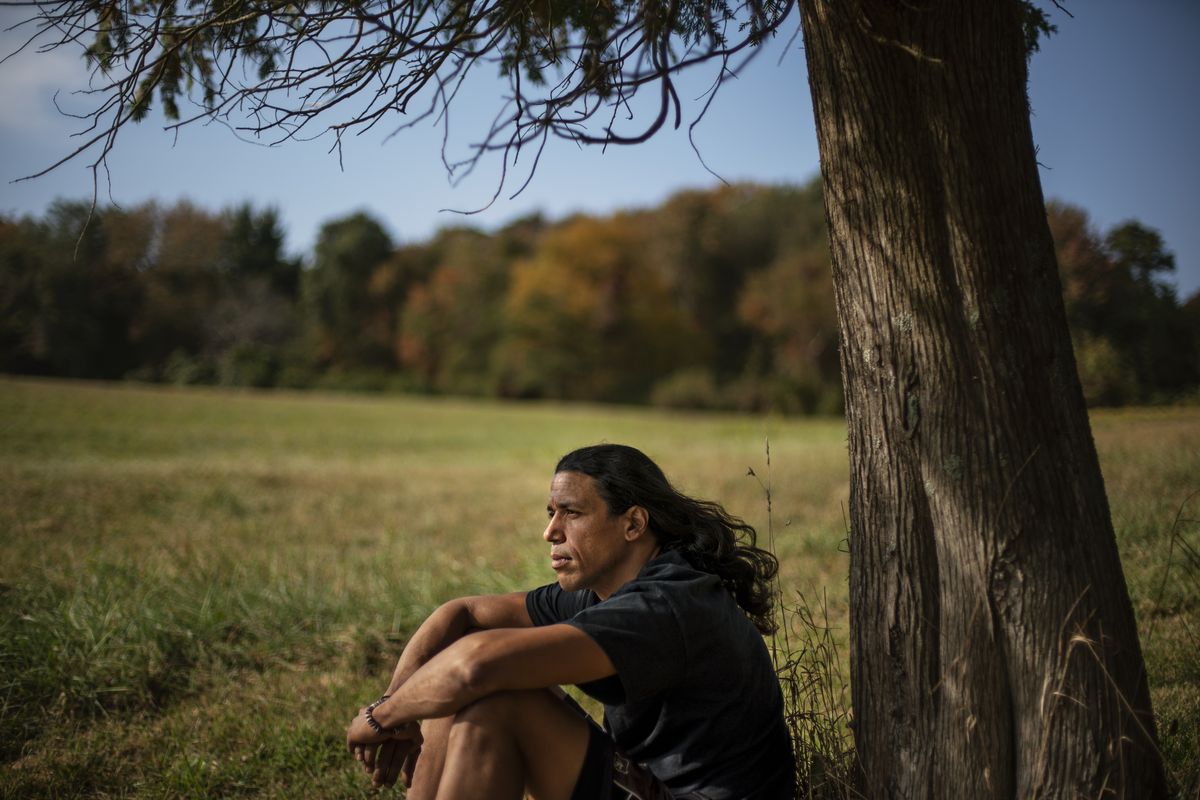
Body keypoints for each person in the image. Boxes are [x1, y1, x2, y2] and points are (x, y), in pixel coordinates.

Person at [345, 443, 795, 799]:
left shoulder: (665, 604)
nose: (551, 532)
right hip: (648, 785)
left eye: (572, 513)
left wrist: (380, 717)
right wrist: (397, 702)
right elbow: (462, 616)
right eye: (551, 513)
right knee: (469, 678)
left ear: (634, 524)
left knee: (499, 697)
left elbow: (475, 666)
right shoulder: (603, 593)